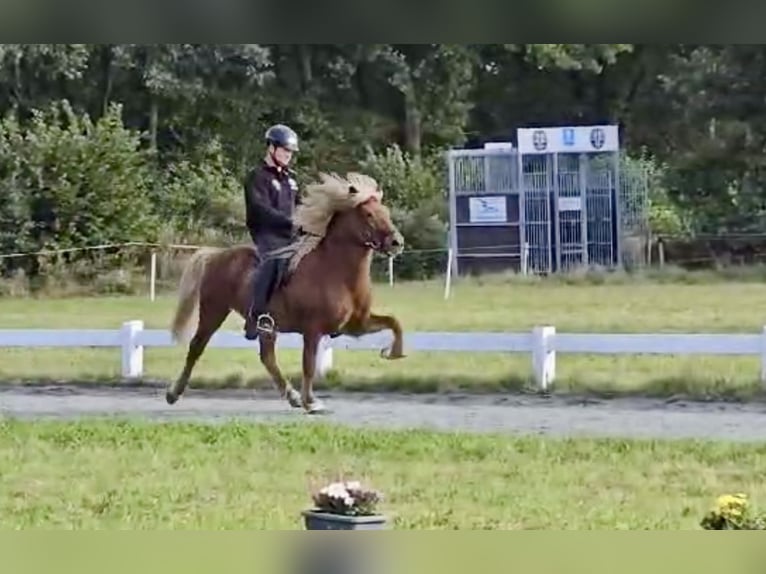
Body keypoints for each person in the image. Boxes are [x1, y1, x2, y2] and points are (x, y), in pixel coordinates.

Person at [242, 123, 301, 341]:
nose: (289, 156)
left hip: (292, 233)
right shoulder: (256, 177)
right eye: (285, 151)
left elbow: (302, 203)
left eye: (291, 152)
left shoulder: (291, 179)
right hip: (267, 234)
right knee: (275, 258)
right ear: (271, 148)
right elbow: (260, 210)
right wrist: (290, 222)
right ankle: (256, 316)